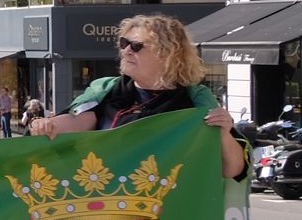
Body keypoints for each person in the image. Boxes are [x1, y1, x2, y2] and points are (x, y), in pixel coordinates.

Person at [35, 15, 249, 181]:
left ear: (167, 54)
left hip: (168, 215)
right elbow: (77, 122)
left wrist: (223, 133)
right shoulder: (105, 89)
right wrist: (46, 125)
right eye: (123, 43)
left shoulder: (195, 99)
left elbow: (231, 169)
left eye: (136, 46)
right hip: (109, 205)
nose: (126, 51)